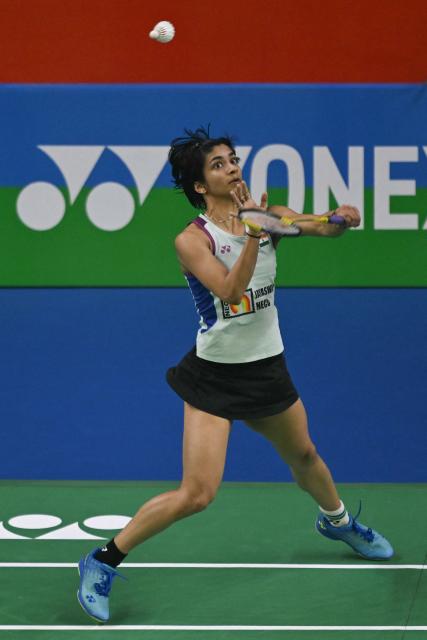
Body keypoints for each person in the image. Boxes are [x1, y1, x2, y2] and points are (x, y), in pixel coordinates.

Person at [77, 126, 393, 623]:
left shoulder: (269, 215)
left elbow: (319, 226)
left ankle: (338, 522)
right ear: (200, 185)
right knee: (197, 493)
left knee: (305, 454)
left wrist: (343, 218)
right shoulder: (191, 240)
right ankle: (101, 560)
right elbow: (228, 290)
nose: (232, 168)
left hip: (267, 367)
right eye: (219, 164)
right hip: (214, 378)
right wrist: (252, 234)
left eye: (233, 159)